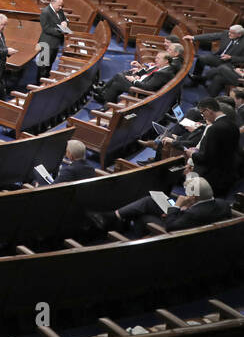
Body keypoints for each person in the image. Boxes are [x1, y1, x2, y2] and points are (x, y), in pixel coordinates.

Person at [88, 175, 228, 236]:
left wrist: (177, 206)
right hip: (185, 221)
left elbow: (171, 227)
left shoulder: (194, 213)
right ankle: (113, 217)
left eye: (187, 194)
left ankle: (115, 223)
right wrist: (186, 208)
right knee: (149, 201)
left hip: (176, 233)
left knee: (143, 216)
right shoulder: (223, 204)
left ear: (194, 197)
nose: (184, 196)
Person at [185, 97, 240, 199]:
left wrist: (191, 154)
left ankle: (189, 204)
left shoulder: (214, 129)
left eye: (202, 113)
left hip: (210, 178)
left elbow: (206, 158)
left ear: (208, 110)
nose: (203, 116)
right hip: (228, 174)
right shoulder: (233, 125)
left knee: (190, 173)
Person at [94, 50, 175, 105]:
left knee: (119, 76)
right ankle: (106, 102)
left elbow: (148, 87)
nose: (155, 59)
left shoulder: (162, 73)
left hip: (140, 92)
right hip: (141, 83)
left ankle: (103, 93)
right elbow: (147, 74)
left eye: (158, 58)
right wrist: (139, 74)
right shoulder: (163, 67)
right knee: (117, 84)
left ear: (166, 61)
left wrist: (134, 81)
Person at [38, 0, 70, 75]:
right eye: (59, 5)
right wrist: (61, 32)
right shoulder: (45, 12)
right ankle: (39, 84)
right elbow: (46, 28)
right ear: (53, 3)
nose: (60, 7)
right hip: (46, 42)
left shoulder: (59, 10)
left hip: (55, 43)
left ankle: (46, 79)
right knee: (43, 65)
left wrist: (65, 22)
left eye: (61, 6)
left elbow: (65, 19)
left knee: (50, 63)